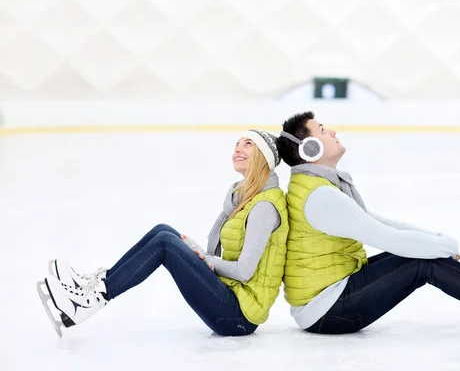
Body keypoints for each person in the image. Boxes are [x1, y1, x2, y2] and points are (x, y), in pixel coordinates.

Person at [275, 111, 460, 335]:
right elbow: (385, 237)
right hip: (328, 312)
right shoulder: (320, 196)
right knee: (422, 262)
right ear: (309, 149)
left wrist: (436, 239)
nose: (334, 131)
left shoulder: (318, 187)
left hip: (331, 301)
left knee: (422, 255)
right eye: (324, 130)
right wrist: (442, 247)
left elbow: (377, 221)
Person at [37, 130, 288, 338]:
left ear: (264, 159)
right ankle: (95, 285)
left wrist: (205, 260)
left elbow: (245, 271)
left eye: (248, 145)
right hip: (230, 296)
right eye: (236, 144)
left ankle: (90, 301)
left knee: (166, 244)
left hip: (238, 316)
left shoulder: (264, 206)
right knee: (164, 231)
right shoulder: (244, 197)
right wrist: (199, 254)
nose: (238, 149)